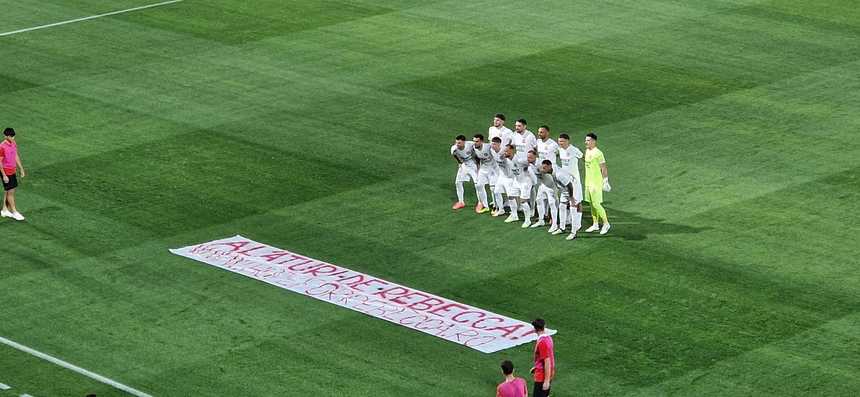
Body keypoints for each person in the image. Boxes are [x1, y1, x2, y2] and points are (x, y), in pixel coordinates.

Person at [540, 161, 581, 240]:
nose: (543, 169)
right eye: (543, 167)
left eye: (545, 168)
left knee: (573, 210)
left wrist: (571, 197)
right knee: (562, 207)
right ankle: (562, 228)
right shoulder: (552, 168)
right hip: (564, 189)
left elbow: (570, 185)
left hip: (573, 188)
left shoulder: (559, 175)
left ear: (549, 166)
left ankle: (574, 232)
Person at [583, 133, 611, 234]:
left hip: (596, 183)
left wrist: (605, 180)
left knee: (596, 204)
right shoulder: (587, 151)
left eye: (588, 140)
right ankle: (595, 224)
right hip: (588, 182)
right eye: (586, 140)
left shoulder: (598, 153)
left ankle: (606, 223)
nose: (586, 142)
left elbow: (603, 167)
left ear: (594, 141)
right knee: (591, 204)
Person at [532, 126, 559, 228]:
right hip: (542, 174)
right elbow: (536, 151)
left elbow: (558, 154)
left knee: (552, 200)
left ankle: (554, 220)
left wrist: (551, 167)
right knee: (539, 199)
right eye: (539, 132)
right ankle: (541, 219)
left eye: (542, 132)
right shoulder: (538, 142)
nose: (539, 134)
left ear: (547, 133)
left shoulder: (553, 144)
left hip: (550, 175)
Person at [557, 133, 583, 231]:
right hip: (564, 180)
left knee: (577, 201)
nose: (560, 143)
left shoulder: (574, 150)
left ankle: (578, 223)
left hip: (575, 181)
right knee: (564, 202)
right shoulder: (560, 150)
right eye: (559, 142)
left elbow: (583, 157)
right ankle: (564, 224)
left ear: (568, 141)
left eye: (562, 141)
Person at [0, 128, 26, 221]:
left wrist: (21, 168)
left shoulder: (14, 143)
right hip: (6, 171)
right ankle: (14, 212)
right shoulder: (2, 147)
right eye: (11, 136)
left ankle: (4, 210)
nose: (12, 138)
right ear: (6, 136)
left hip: (12, 170)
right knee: (11, 191)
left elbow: (15, 155)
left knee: (8, 190)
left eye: (13, 136)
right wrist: (4, 175)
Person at [450, 135, 481, 210]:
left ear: (464, 142)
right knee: (458, 182)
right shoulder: (454, 149)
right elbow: (455, 155)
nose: (457, 144)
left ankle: (480, 202)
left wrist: (479, 166)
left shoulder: (471, 145)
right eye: (456, 143)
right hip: (464, 165)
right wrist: (460, 163)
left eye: (459, 143)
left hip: (473, 164)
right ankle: (461, 202)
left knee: (478, 184)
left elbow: (477, 154)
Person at [530, 318, 555, 397]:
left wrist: (546, 381)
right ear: (545, 326)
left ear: (534, 329)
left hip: (542, 375)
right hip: (547, 371)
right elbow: (548, 356)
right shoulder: (548, 338)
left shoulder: (542, 342)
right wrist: (536, 367)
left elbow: (547, 361)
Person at [471, 134, 493, 213]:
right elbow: (476, 158)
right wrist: (478, 168)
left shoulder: (488, 147)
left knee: (493, 188)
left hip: (492, 169)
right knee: (479, 185)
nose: (475, 143)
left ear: (482, 141)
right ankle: (485, 206)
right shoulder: (473, 148)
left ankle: (495, 207)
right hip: (483, 168)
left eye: (477, 141)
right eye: (474, 141)